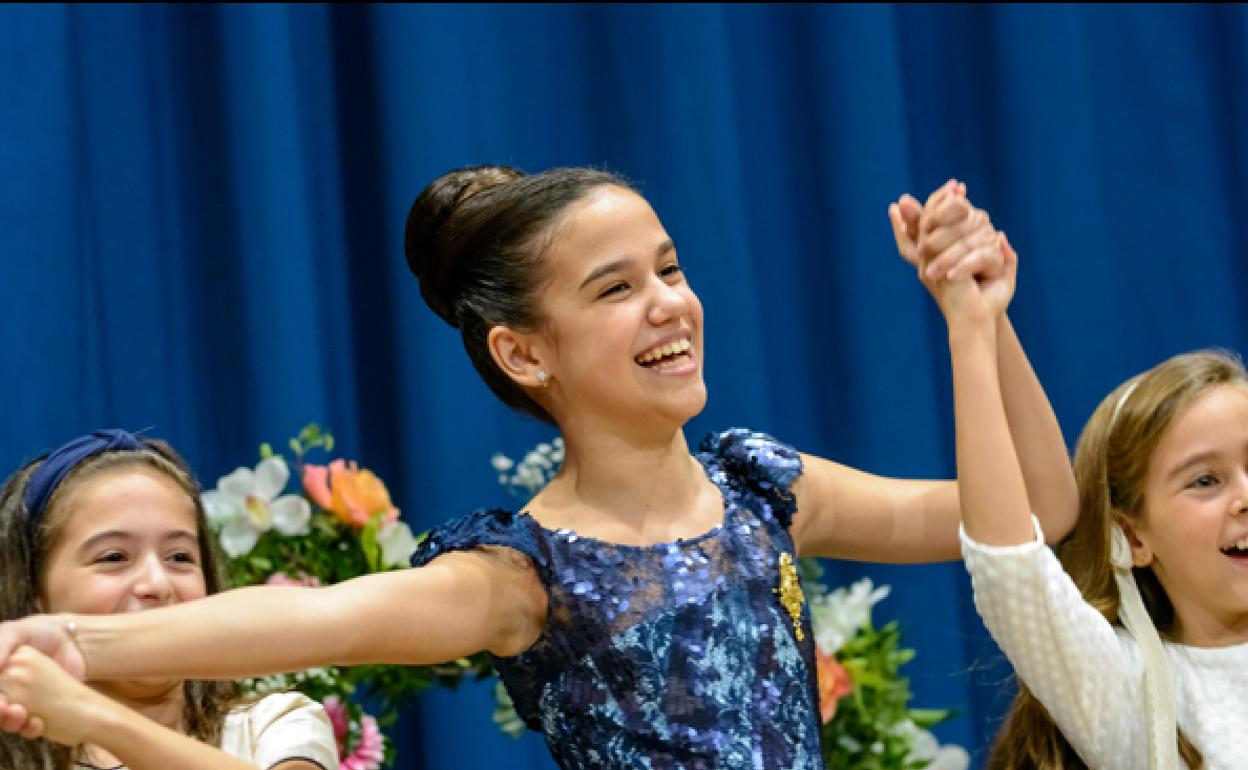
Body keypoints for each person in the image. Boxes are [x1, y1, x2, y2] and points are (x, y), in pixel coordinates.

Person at [0, 168, 1077, 769]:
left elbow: (1039, 509)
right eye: (613, 289)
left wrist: (978, 324)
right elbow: (321, 618)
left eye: (669, 267)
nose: (667, 300)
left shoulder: (767, 489)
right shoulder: (529, 574)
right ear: (524, 350)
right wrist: (72, 641)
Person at [925, 197, 1248, 769]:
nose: (1244, 497)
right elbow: (1012, 569)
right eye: (1205, 480)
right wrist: (975, 327)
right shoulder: (1129, 690)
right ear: (1132, 537)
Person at [0, 430, 338, 770]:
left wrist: (92, 716)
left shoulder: (274, 726)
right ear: (34, 592)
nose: (158, 584)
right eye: (114, 557)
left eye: (179, 557)